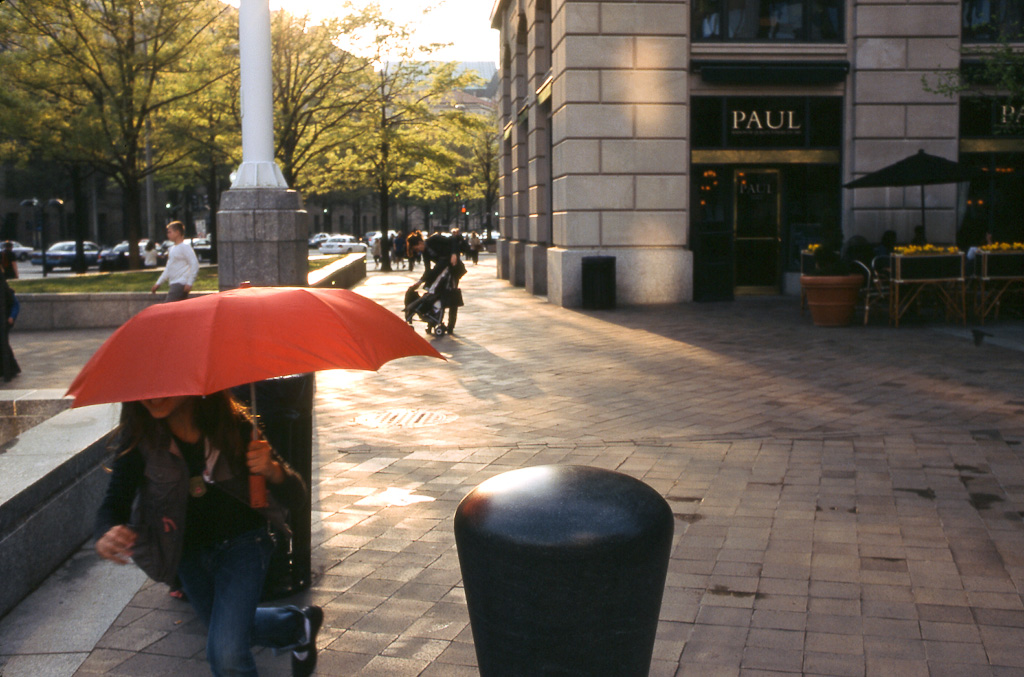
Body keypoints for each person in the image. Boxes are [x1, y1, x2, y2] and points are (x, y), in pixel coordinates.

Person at [95, 392, 322, 677]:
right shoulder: (141, 438)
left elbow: (297, 497)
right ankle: (296, 626)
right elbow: (113, 505)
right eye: (145, 387)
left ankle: (292, 626)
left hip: (244, 546)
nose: (152, 396)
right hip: (189, 557)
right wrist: (107, 531)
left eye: (164, 383)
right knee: (232, 631)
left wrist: (272, 470)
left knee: (226, 652)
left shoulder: (231, 426)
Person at [407, 229, 470, 334]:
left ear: (419, 243)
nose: (418, 251)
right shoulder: (425, 254)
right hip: (443, 272)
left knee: (452, 296)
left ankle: (451, 325)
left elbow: (453, 240)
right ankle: (434, 320)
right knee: (438, 295)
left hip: (453, 269)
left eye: (416, 248)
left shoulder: (434, 239)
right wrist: (420, 281)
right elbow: (428, 270)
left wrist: (454, 254)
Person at [151, 221, 199, 302]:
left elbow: (194, 264)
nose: (168, 234)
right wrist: (158, 283)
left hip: (180, 283)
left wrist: (189, 283)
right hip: (174, 283)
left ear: (177, 232)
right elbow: (168, 269)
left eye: (170, 232)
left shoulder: (185, 247)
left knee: (167, 308)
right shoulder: (172, 249)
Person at [1, 275, 20, 382]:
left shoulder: (5, 289)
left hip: (4, 321)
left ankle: (10, 369)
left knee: (3, 344)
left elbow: (15, 304)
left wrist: (11, 317)